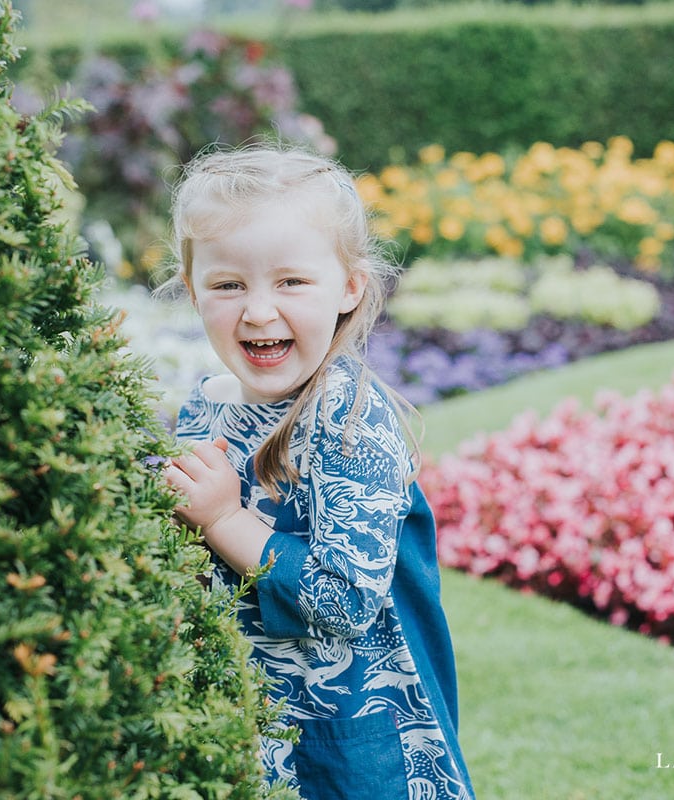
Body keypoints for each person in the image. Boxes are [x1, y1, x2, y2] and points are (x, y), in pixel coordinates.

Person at [162, 144, 476, 800]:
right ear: (192, 290)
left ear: (350, 286)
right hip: (242, 725)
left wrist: (222, 518)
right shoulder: (201, 411)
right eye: (228, 284)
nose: (256, 310)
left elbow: (345, 600)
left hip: (351, 741)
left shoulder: (348, 418)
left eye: (290, 281)